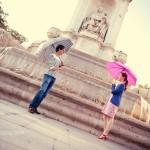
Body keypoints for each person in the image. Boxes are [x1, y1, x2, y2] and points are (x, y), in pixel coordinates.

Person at [28, 45, 65, 114]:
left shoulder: (59, 59)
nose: (63, 52)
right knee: (41, 91)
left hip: (53, 77)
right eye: (63, 50)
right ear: (59, 49)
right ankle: (31, 107)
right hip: (48, 75)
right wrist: (59, 68)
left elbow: (59, 67)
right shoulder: (52, 56)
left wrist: (61, 65)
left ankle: (35, 107)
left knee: (44, 94)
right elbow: (50, 67)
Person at [98, 72, 128, 140]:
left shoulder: (122, 86)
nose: (118, 76)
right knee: (105, 116)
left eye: (120, 75)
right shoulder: (120, 84)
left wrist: (113, 84)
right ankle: (105, 133)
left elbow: (114, 92)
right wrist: (115, 84)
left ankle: (104, 134)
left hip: (114, 103)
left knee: (110, 118)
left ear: (123, 77)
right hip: (111, 101)